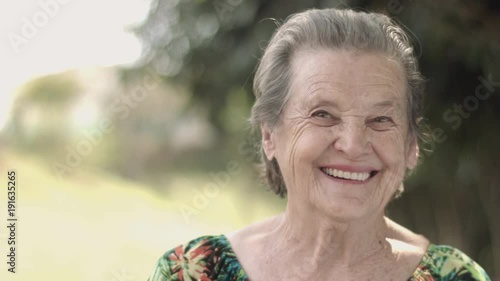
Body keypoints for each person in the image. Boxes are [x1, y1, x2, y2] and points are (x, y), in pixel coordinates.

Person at [148, 8, 491, 281]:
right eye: (323, 114)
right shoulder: (192, 273)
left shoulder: (456, 277)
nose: (354, 145)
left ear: (411, 145)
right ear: (269, 135)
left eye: (381, 120)